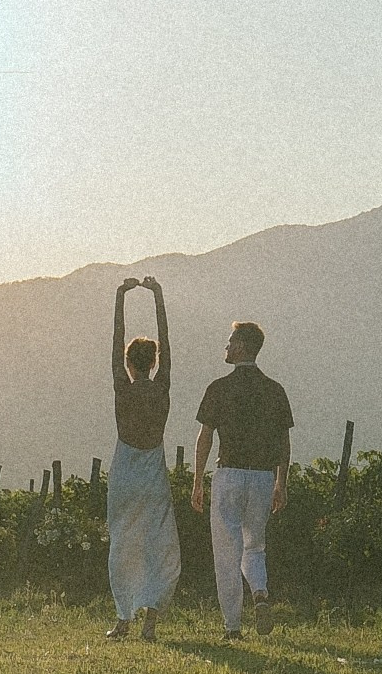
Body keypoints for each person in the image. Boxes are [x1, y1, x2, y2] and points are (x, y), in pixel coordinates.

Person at [193, 319, 292, 640]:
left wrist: (197, 481)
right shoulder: (275, 390)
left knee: (227, 553)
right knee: (255, 546)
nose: (226, 346)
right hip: (263, 477)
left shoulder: (219, 388)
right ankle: (260, 593)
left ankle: (233, 627)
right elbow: (283, 443)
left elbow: (205, 438)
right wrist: (281, 483)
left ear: (240, 347)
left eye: (230, 342)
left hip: (229, 474)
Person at [106, 275, 182, 641]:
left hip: (124, 470)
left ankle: (124, 618)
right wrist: (158, 296)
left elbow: (116, 339)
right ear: (153, 363)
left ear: (127, 362)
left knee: (123, 543)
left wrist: (121, 296)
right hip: (152, 473)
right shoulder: (162, 386)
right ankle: (150, 622)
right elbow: (166, 343)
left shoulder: (122, 387)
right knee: (158, 545)